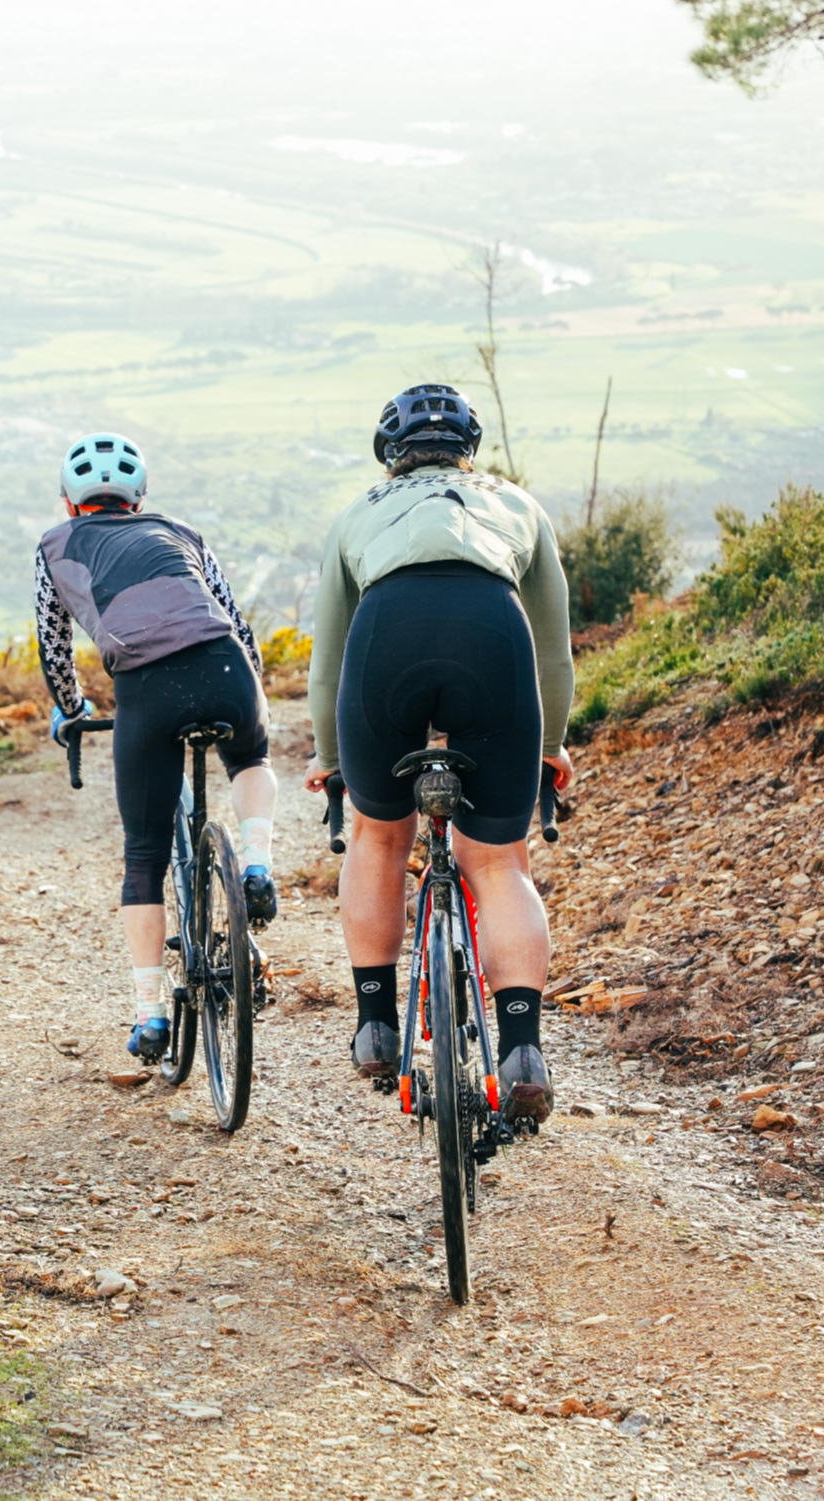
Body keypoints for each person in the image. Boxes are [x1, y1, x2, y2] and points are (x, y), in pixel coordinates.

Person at [302, 384, 574, 1124]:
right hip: (495, 634)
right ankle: (521, 1049)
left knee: (377, 835)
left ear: (389, 456)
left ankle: (375, 1024)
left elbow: (327, 660)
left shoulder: (360, 511)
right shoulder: (517, 505)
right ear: (470, 451)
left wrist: (331, 761)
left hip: (386, 636)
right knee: (498, 861)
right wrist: (549, 749)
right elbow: (553, 652)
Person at [36, 432, 279, 1063]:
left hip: (146, 689)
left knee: (143, 855)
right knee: (251, 759)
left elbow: (53, 646)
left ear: (70, 502)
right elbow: (233, 616)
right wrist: (253, 689)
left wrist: (71, 711)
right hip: (226, 667)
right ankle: (255, 864)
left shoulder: (54, 545)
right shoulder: (183, 532)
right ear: (139, 499)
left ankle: (150, 1018)